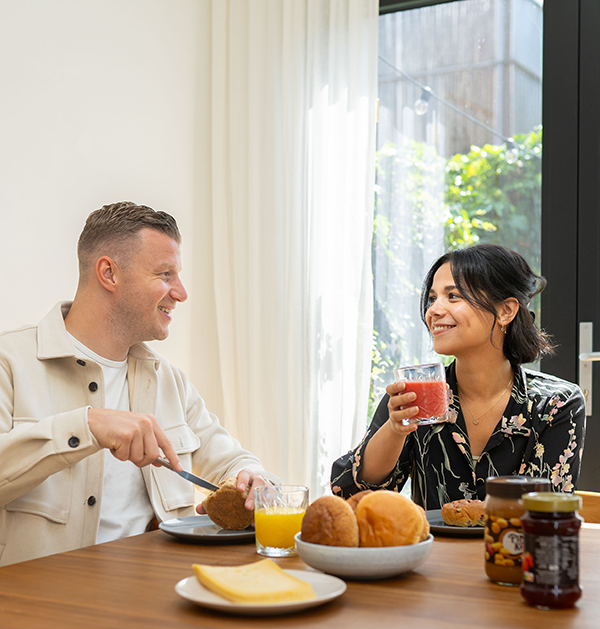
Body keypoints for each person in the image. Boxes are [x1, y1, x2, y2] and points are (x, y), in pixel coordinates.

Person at [0, 202, 273, 566]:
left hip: (156, 600)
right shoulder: (9, 362)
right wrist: (88, 425)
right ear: (109, 273)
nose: (181, 292)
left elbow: (233, 460)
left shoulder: (170, 382)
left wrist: (254, 478)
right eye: (165, 274)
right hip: (39, 609)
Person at [331, 244, 586, 508]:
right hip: (432, 551)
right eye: (432, 298)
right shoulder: (414, 396)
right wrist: (395, 430)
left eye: (453, 296)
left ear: (505, 311)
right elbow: (349, 494)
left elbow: (546, 510)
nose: (434, 311)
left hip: (511, 550)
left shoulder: (556, 404)